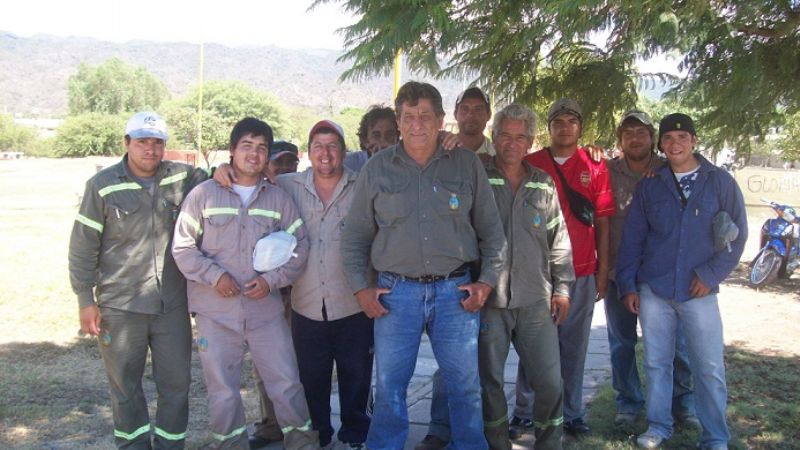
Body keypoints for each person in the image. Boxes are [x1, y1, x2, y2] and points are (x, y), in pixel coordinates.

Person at [341, 81, 507, 450]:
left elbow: (492, 233)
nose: (417, 124)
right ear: (399, 121)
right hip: (395, 295)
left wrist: (488, 282)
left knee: (465, 386)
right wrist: (360, 289)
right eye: (409, 117)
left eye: (425, 116)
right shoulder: (377, 169)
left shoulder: (465, 164)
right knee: (389, 387)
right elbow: (354, 237)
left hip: (456, 293)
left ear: (440, 119)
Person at [172, 117, 317, 450]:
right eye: (247, 146)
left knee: (286, 382)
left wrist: (272, 281)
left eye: (261, 148)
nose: (254, 154)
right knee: (223, 390)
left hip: (265, 311)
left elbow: (302, 244)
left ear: (267, 157)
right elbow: (182, 247)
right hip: (214, 313)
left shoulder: (278, 198)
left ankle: (303, 444)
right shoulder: (203, 195)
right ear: (232, 150)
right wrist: (215, 276)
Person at [68, 111, 208, 449]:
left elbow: (219, 179)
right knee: (125, 388)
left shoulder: (183, 178)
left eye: (158, 142)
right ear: (126, 143)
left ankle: (171, 446)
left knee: (176, 387)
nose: (151, 149)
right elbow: (83, 246)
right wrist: (85, 300)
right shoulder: (102, 186)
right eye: (142, 141)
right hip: (120, 306)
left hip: (172, 306)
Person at [617, 113, 747, 450]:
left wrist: (710, 275)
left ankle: (715, 436)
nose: (675, 143)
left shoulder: (720, 182)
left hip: (699, 291)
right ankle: (658, 427)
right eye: (668, 138)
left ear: (694, 141)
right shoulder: (650, 184)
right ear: (661, 144)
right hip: (655, 289)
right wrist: (629, 285)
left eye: (682, 137)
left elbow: (738, 235)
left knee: (708, 367)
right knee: (657, 363)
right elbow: (633, 239)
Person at [513, 99, 615, 438]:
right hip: (537, 272)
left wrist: (603, 272)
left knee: (574, 346)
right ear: (550, 126)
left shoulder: (595, 165)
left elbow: (603, 220)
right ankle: (525, 411)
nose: (566, 126)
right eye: (559, 120)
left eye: (573, 120)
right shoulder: (531, 162)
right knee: (533, 345)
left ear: (581, 127)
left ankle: (571, 413)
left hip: (582, 272)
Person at [477, 104, 575, 450]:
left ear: (531, 141)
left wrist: (562, 289)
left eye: (521, 137)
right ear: (495, 136)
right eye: (506, 135)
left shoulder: (543, 184)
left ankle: (549, 443)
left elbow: (558, 241)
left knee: (549, 381)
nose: (512, 143)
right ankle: (496, 443)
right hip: (490, 301)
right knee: (489, 381)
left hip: (535, 299)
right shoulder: (479, 176)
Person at [276, 120, 373, 449]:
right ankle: (319, 435)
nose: (326, 153)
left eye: (333, 146)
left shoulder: (363, 185)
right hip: (306, 304)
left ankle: (355, 434)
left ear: (345, 152)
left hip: (354, 303)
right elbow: (253, 175)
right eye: (318, 146)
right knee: (311, 378)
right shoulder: (289, 185)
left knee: (356, 376)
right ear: (308, 152)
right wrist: (222, 172)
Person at [604, 110, 699, 431]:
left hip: (664, 277)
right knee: (621, 344)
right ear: (620, 140)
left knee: (677, 346)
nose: (635, 138)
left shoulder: (669, 169)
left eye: (642, 132)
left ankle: (682, 405)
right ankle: (628, 403)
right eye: (628, 133)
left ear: (653, 139)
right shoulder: (607, 171)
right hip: (620, 275)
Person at [417, 85, 496, 450]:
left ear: (487, 115)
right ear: (456, 113)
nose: (472, 115)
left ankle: (494, 428)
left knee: (484, 361)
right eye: (466, 108)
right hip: (458, 273)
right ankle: (439, 428)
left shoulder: (501, 154)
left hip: (495, 271)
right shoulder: (445, 151)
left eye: (479, 109)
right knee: (453, 361)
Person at [344, 105, 399, 172]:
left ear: (397, 138)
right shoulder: (349, 163)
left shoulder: (404, 164)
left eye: (389, 135)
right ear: (365, 141)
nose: (383, 142)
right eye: (376, 136)